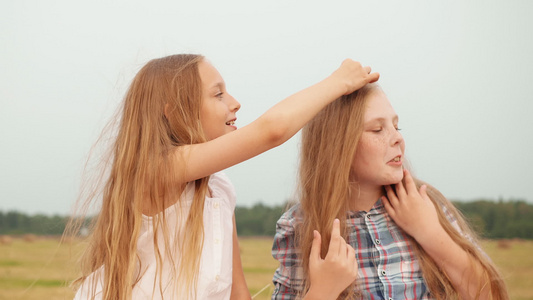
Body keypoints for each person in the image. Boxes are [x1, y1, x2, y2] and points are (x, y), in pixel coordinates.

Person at [67, 54, 379, 300]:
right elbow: (272, 130)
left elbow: (237, 293)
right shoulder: (155, 169)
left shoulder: (218, 188)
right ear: (173, 112)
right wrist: (339, 82)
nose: (234, 103)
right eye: (218, 94)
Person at [271, 83, 509, 300]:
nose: (398, 138)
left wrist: (429, 233)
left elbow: (490, 294)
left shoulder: (426, 205)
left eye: (397, 126)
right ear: (337, 145)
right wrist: (323, 291)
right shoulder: (299, 226)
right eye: (377, 129)